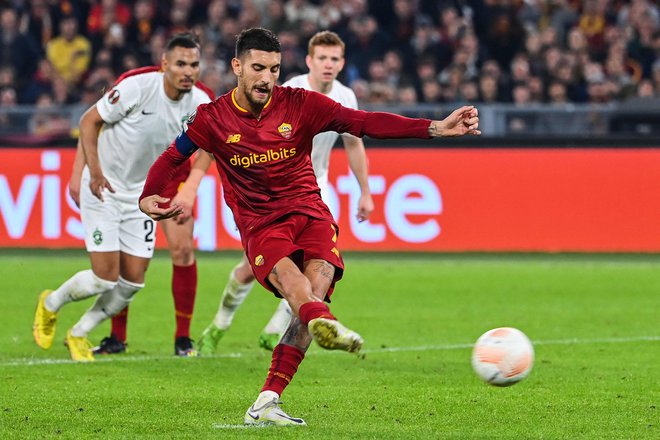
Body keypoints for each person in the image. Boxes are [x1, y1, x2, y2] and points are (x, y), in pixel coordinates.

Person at [139, 28, 479, 426]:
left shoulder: (301, 104)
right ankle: (325, 322)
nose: (267, 78)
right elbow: (174, 156)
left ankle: (267, 400)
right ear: (237, 67)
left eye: (275, 69)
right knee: (293, 286)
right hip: (261, 223)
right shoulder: (213, 118)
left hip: (310, 212)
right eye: (258, 68)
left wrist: (435, 128)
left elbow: (363, 122)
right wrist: (149, 193)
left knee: (312, 293)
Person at [32, 33, 213, 362]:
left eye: (194, 64)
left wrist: (190, 188)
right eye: (181, 64)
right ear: (164, 65)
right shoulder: (138, 87)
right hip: (103, 188)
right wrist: (90, 172)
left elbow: (210, 145)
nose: (188, 71)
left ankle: (79, 333)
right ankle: (50, 303)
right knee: (104, 277)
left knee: (132, 284)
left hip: (141, 196)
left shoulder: (200, 103)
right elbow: (89, 121)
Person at [196, 30, 374, 355]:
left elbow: (354, 144)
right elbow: (223, 136)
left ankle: (276, 331)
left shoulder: (346, 96)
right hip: (269, 193)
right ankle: (218, 326)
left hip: (316, 189)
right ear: (309, 61)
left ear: (342, 63)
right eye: (322, 58)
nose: (328, 64)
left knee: (315, 269)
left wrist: (365, 191)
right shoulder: (288, 90)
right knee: (250, 269)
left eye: (334, 59)